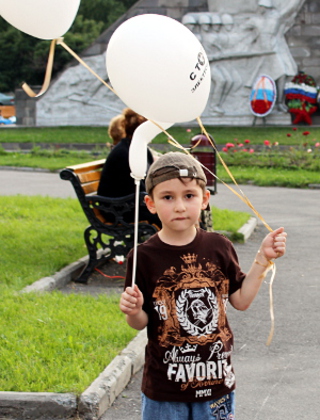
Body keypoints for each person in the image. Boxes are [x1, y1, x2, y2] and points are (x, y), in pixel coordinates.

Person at [119, 151, 287, 420]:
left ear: (204, 199)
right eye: (167, 197)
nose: (179, 206)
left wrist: (263, 259)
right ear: (150, 203)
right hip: (165, 389)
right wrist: (133, 310)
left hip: (216, 385)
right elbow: (139, 323)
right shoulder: (143, 257)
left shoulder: (219, 246)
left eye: (188, 196)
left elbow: (241, 301)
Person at [98, 108, 161, 227]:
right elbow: (139, 186)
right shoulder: (125, 153)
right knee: (170, 213)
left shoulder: (136, 148)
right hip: (118, 210)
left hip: (129, 204)